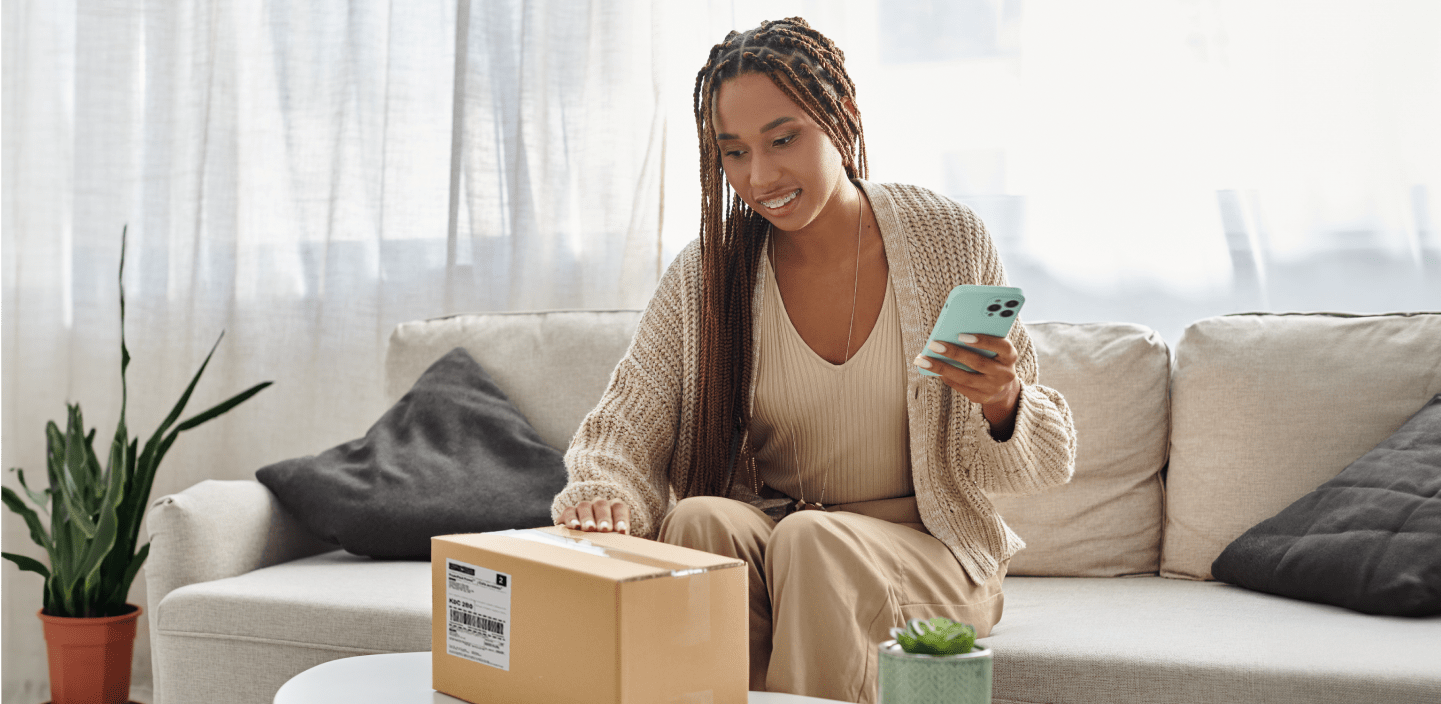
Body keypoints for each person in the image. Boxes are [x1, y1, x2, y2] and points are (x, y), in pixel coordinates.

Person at [553, 17, 1076, 704]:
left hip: (928, 554)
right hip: (781, 535)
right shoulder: (711, 273)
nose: (759, 176)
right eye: (733, 152)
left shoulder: (944, 236)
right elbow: (631, 414)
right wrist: (602, 494)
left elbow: (1040, 466)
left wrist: (1003, 403)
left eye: (782, 139)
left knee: (812, 540)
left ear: (843, 115)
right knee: (697, 520)